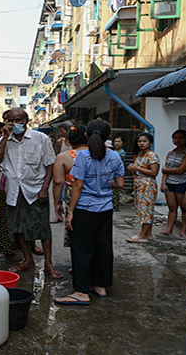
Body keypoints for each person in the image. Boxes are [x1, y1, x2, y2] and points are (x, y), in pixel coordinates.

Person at [54, 120, 125, 305]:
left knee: (82, 250)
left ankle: (81, 292)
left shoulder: (83, 157)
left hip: (85, 209)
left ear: (86, 135)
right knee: (103, 247)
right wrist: (103, 183)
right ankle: (100, 286)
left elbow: (78, 185)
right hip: (106, 209)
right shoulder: (115, 157)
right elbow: (120, 184)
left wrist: (70, 212)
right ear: (108, 137)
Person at [0, 107, 63, 279]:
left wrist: (45, 188)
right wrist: (5, 137)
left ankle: (48, 263)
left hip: (36, 190)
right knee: (18, 227)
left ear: (26, 121)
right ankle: (28, 260)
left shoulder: (41, 138)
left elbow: (50, 164)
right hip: (14, 191)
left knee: (42, 228)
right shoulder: (4, 140)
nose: (15, 124)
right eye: (11, 121)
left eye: (18, 121)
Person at [0, 112, 22, 257]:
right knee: (3, 216)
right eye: (9, 121)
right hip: (3, 183)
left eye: (17, 121)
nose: (12, 124)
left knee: (22, 216)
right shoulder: (1, 140)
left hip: (22, 184)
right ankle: (5, 246)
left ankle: (27, 246)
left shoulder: (28, 139)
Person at [53, 124, 88, 246]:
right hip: (97, 198)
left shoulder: (64, 157)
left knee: (75, 228)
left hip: (73, 196)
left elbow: (58, 182)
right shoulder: (101, 154)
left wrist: (57, 203)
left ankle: (79, 263)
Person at [158, 130, 186, 240]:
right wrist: (163, 183)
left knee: (184, 208)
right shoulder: (171, 153)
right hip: (170, 184)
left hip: (182, 183)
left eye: (180, 138)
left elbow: (180, 170)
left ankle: (184, 231)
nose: (177, 140)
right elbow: (165, 170)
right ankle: (168, 230)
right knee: (172, 208)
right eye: (175, 138)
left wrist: (166, 169)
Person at [126, 132, 160, 243]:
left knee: (146, 210)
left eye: (144, 141)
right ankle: (148, 234)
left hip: (148, 186)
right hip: (139, 185)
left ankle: (142, 236)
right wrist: (133, 168)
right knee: (142, 208)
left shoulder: (152, 155)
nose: (141, 143)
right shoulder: (140, 154)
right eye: (139, 141)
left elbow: (154, 172)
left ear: (150, 142)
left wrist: (137, 168)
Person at [112, 137, 127, 211]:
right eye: (115, 141)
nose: (117, 143)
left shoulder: (121, 152)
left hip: (117, 172)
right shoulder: (114, 151)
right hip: (113, 172)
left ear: (122, 143)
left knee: (116, 189)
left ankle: (115, 205)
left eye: (119, 141)